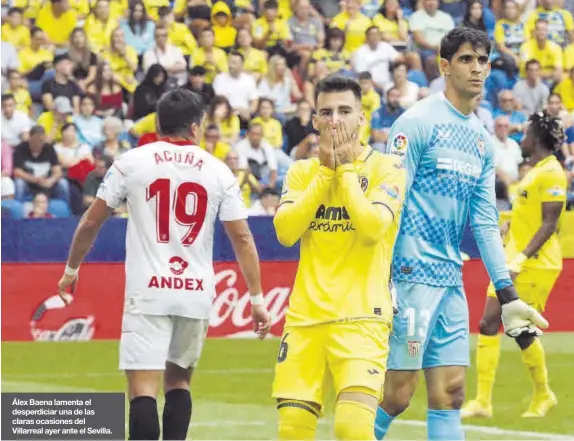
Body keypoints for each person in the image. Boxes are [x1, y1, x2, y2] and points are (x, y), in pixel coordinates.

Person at [56, 88, 272, 441]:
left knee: (143, 387)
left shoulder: (132, 162)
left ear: (157, 125)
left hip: (148, 291)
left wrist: (71, 270)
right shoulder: (219, 172)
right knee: (178, 381)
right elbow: (243, 239)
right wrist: (257, 299)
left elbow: (91, 222)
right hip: (196, 292)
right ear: (195, 127)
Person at [374, 27, 549, 441]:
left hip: (450, 280)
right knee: (398, 394)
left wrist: (508, 292)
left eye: (483, 60)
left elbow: (485, 222)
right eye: (467, 59)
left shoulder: (482, 142)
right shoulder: (415, 123)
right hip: (409, 275)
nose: (476, 68)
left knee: (451, 394)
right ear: (444, 65)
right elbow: (389, 204)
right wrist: (383, 276)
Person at [272, 74, 406, 440]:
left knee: (352, 429)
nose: (335, 120)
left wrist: (345, 171)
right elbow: (285, 232)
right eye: (326, 112)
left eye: (345, 111)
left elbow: (372, 227)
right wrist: (326, 173)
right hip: (305, 319)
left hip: (362, 318)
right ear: (314, 120)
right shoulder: (302, 172)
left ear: (362, 117)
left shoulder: (386, 169)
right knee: (293, 431)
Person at [462, 111, 568, 420]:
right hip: (511, 259)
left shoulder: (552, 172)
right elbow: (530, 217)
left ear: (536, 138)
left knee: (517, 328)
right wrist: (508, 227)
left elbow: (549, 224)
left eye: (526, 134)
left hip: (534, 264)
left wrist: (521, 259)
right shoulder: (535, 172)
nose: (522, 138)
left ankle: (543, 393)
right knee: (489, 324)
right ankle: (483, 401)